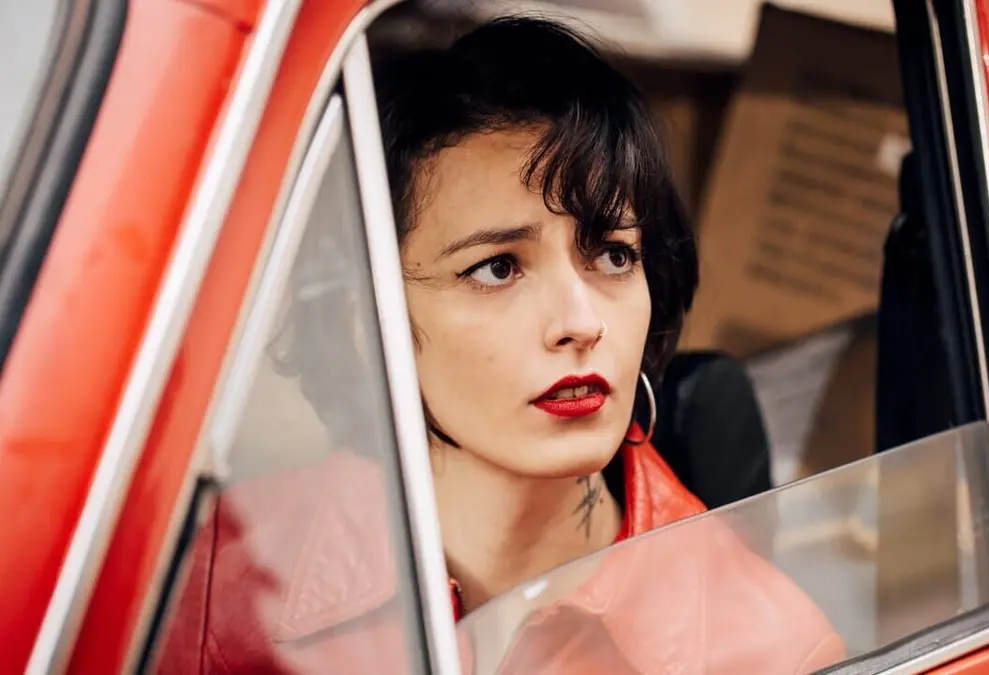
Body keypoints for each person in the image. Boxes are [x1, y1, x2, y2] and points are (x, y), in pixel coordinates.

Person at [156, 17, 843, 674]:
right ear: (366, 323)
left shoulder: (774, 651)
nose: (581, 322)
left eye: (612, 255)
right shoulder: (207, 579)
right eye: (496, 268)